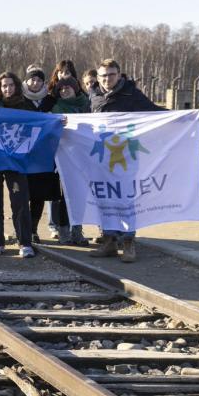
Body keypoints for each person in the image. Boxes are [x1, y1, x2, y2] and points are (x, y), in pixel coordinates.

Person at [89, 58, 162, 262]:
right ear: (98, 77)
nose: (107, 79)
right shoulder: (94, 96)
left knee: (126, 198)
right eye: (103, 75)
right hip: (102, 158)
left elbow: (154, 112)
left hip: (126, 156)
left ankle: (129, 243)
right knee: (104, 198)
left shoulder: (132, 95)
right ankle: (109, 241)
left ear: (119, 75)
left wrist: (182, 116)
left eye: (111, 74)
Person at [0, 72, 36, 258]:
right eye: (4, 86)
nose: (7, 89)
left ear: (16, 86)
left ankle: (24, 242)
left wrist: (56, 121)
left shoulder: (25, 106)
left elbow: (39, 124)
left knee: (20, 201)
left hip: (15, 161)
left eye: (11, 85)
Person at [50, 78, 91, 246]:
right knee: (62, 196)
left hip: (82, 157)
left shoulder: (86, 106)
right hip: (62, 157)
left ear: (76, 89)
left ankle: (77, 230)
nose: (64, 91)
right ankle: (63, 230)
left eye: (68, 88)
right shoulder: (56, 108)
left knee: (80, 195)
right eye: (61, 89)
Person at [20, 66, 57, 243]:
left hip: (43, 155)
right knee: (21, 193)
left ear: (43, 82)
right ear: (26, 81)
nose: (35, 83)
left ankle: (33, 228)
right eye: (32, 79)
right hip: (22, 155)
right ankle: (23, 228)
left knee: (39, 194)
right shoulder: (18, 100)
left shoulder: (50, 101)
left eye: (39, 80)